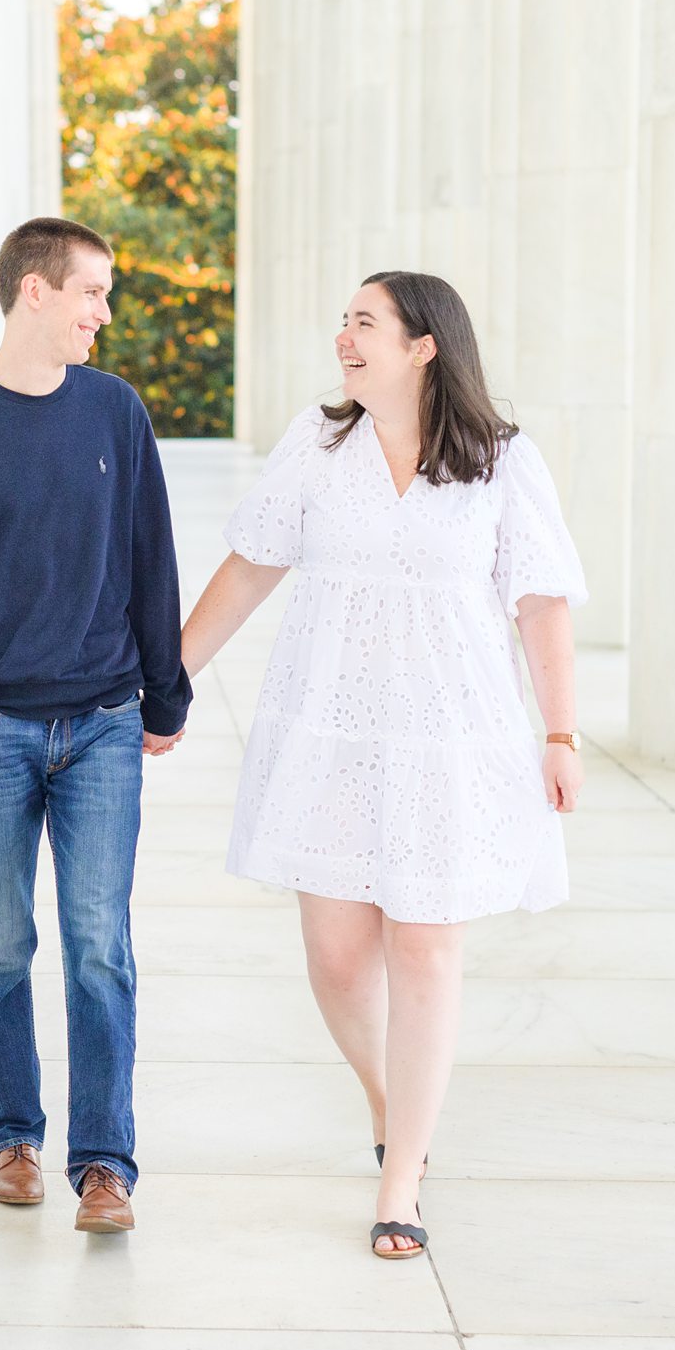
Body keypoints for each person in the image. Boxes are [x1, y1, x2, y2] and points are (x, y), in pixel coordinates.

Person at [180, 271, 586, 1260]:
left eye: (364, 323)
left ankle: (402, 1174)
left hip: (451, 740)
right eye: (344, 323)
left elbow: (542, 602)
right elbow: (252, 565)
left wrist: (561, 733)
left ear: (423, 345)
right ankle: (383, 1090)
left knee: (425, 950)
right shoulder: (318, 447)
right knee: (336, 957)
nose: (343, 339)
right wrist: (169, 677)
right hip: (332, 732)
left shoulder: (499, 460)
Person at [0, 216, 191, 1234]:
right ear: (34, 291)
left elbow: (151, 554)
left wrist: (165, 690)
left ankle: (104, 1163)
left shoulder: (114, 413)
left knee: (99, 944)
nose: (103, 313)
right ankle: (12, 1136)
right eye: (92, 292)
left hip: (105, 722)